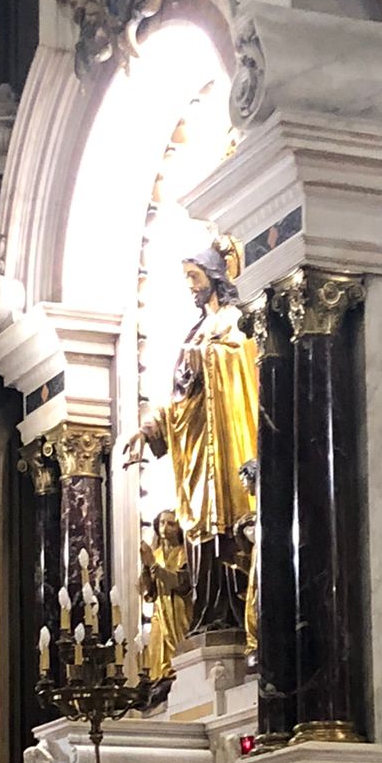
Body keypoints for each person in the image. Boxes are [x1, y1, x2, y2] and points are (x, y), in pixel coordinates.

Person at [123, 241, 258, 636]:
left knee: (228, 526)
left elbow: (245, 359)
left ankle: (234, 615)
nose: (190, 285)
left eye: (194, 277)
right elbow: (179, 398)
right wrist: (149, 428)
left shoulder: (235, 319)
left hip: (227, 443)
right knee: (198, 530)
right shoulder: (196, 331)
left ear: (215, 276)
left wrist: (210, 357)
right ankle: (207, 615)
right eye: (186, 278)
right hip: (196, 453)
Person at [139, 509, 192, 677]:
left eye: (171, 524)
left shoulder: (185, 553)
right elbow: (150, 592)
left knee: (180, 651)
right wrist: (146, 567)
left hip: (179, 610)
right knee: (157, 654)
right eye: (162, 523)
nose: (165, 527)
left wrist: (154, 565)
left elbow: (182, 583)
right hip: (160, 612)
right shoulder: (157, 554)